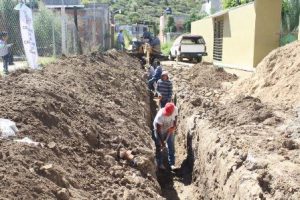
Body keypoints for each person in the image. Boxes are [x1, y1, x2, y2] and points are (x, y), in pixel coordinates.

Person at [153, 102, 178, 170]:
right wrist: (162, 142)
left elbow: (175, 117)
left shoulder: (175, 109)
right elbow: (158, 130)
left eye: (168, 113)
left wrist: (174, 126)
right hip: (159, 130)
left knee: (171, 146)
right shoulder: (160, 116)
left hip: (169, 129)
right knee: (159, 147)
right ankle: (160, 164)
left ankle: (172, 164)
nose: (166, 114)